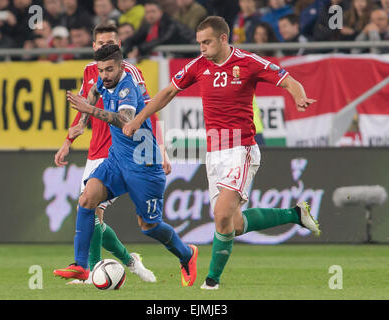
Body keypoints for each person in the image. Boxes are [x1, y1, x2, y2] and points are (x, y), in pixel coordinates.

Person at [123, 16, 321, 290]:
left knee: (221, 213)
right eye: (199, 43)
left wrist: (298, 96)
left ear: (223, 39)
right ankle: (295, 215)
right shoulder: (199, 65)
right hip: (214, 153)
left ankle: (211, 282)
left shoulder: (248, 62)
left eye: (207, 42)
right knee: (234, 223)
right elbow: (168, 92)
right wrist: (137, 120)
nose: (202, 48)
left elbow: (287, 79)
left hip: (242, 150)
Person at [54, 44, 198, 287]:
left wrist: (90, 109)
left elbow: (126, 121)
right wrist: (82, 122)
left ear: (121, 66)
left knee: (149, 226)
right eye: (101, 70)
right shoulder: (104, 81)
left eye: (109, 70)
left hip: (144, 165)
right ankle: (81, 266)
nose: (104, 76)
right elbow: (93, 90)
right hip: (117, 160)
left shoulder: (127, 88)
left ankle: (187, 254)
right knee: (87, 200)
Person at [121, 0, 195, 59]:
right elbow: (134, 39)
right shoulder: (147, 25)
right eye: (147, 12)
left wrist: (139, 50)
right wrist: (128, 50)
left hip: (190, 55)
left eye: (153, 11)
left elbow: (162, 39)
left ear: (160, 12)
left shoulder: (169, 23)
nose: (150, 15)